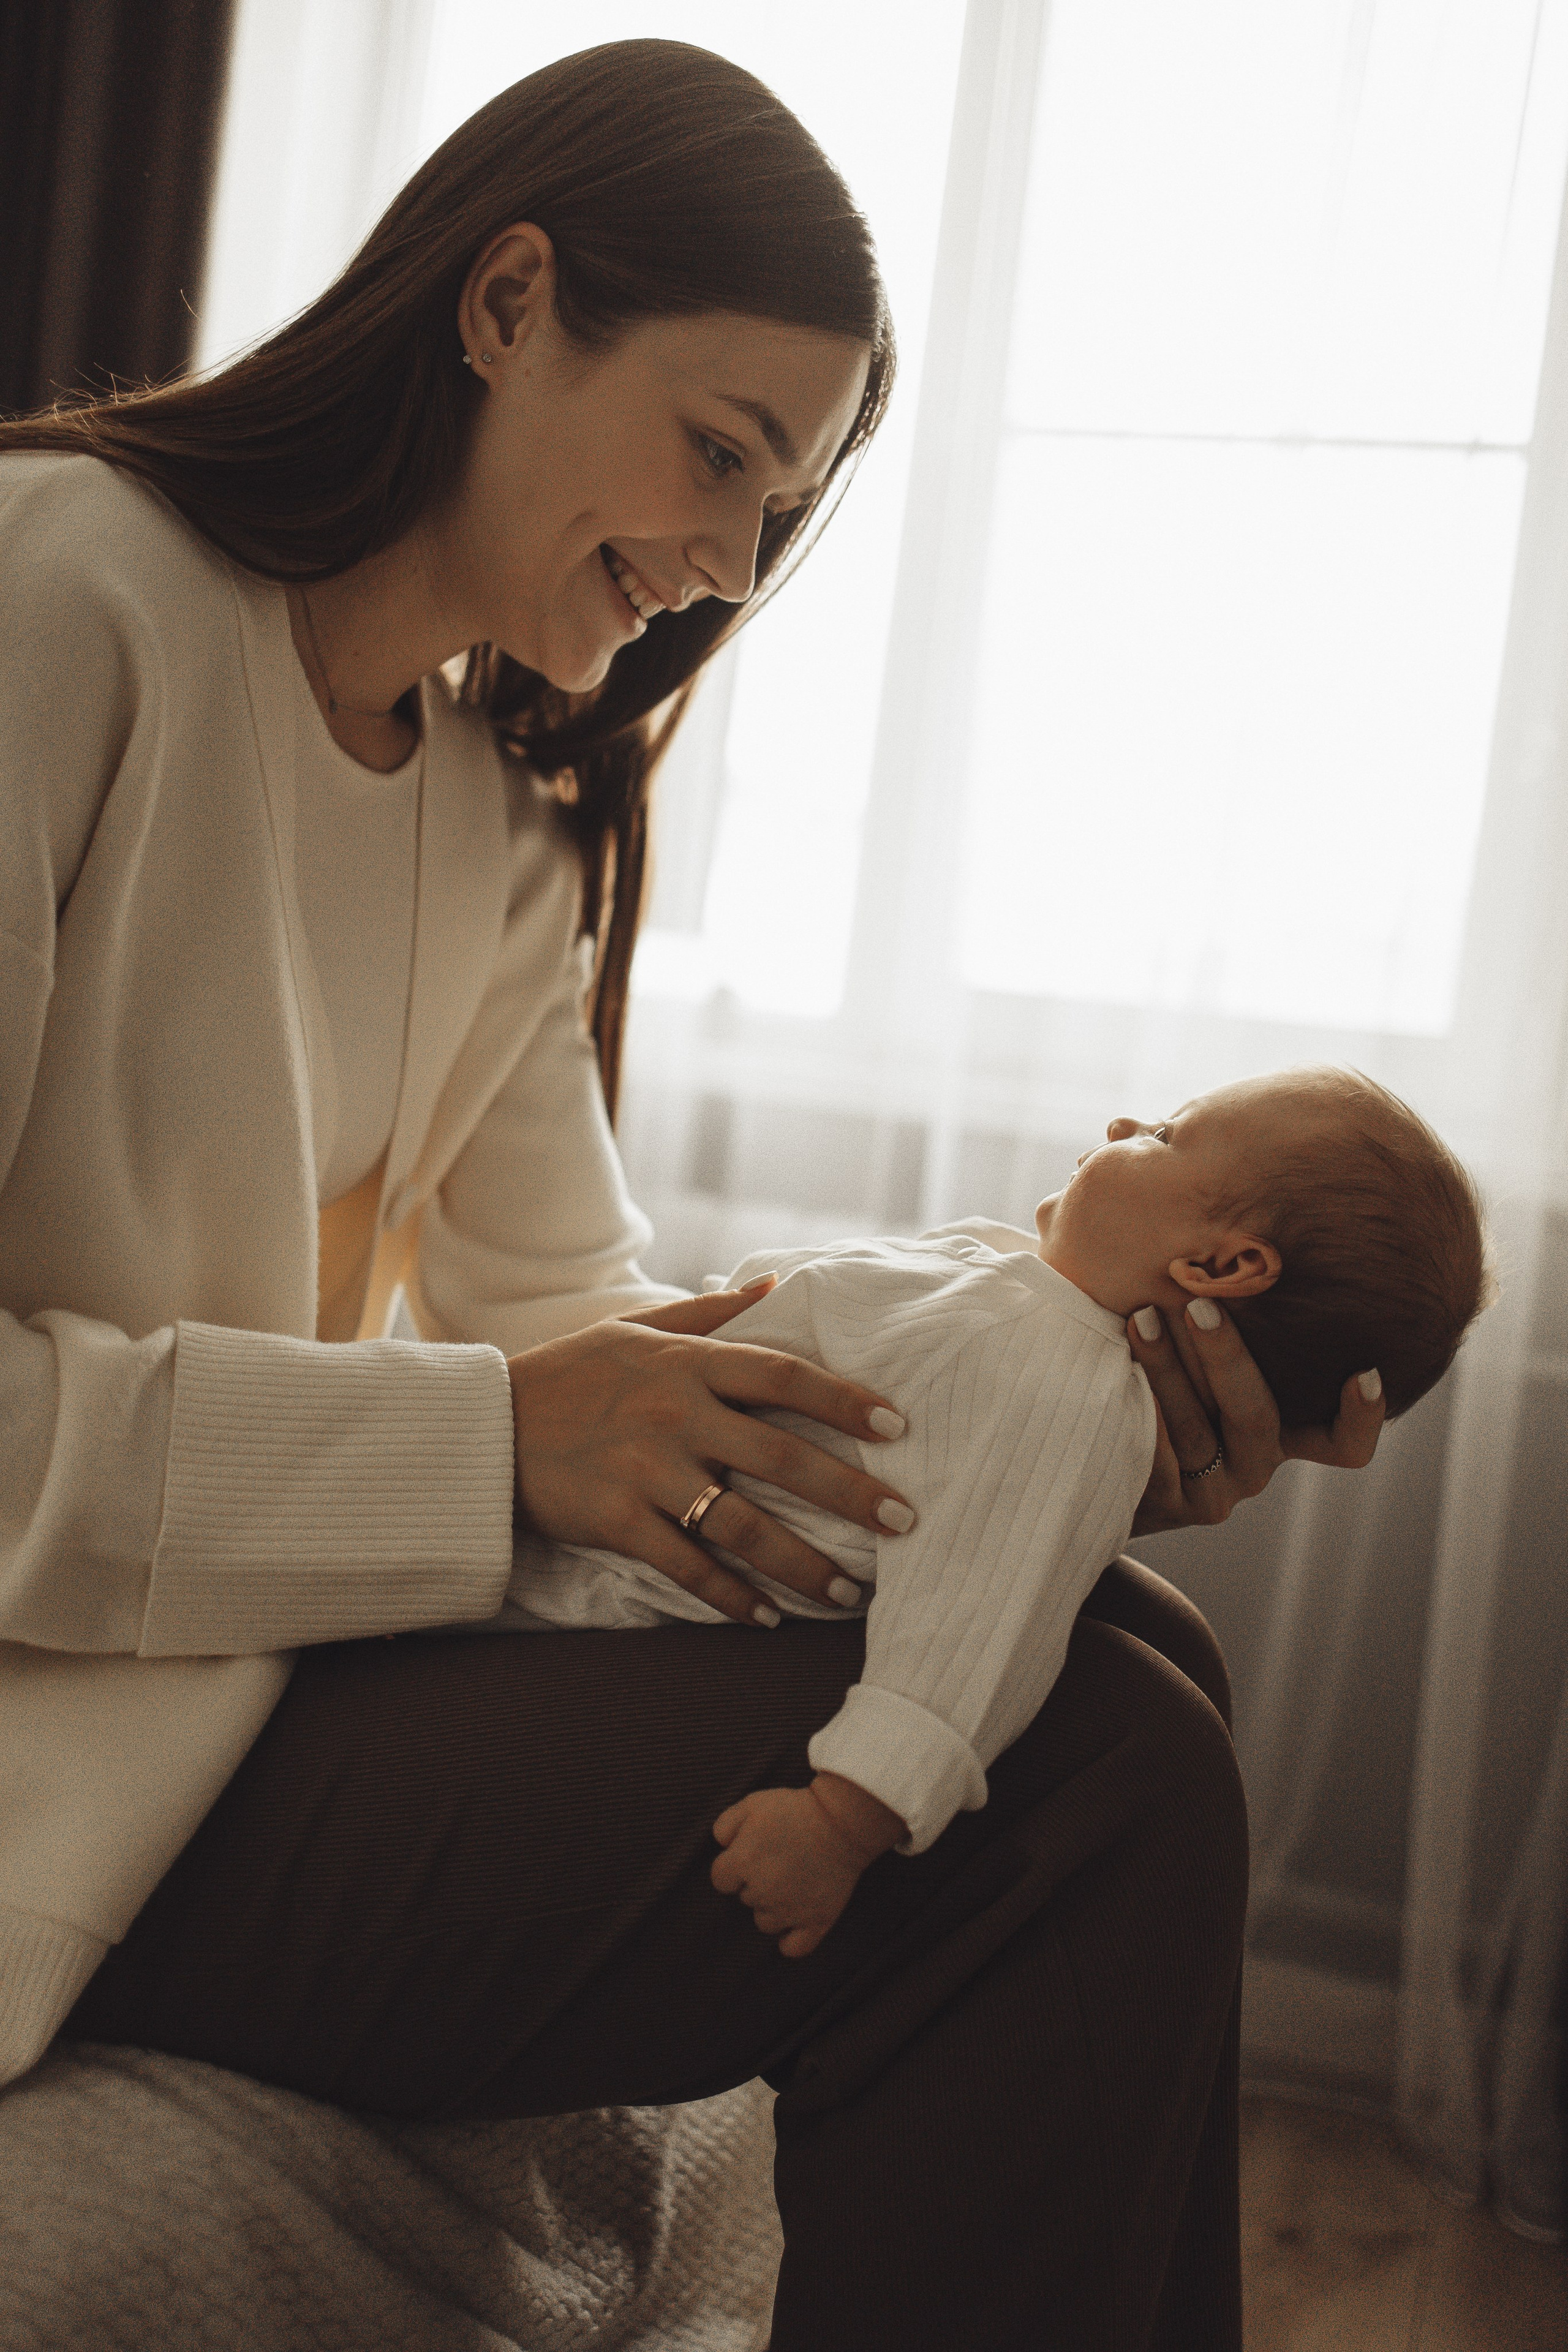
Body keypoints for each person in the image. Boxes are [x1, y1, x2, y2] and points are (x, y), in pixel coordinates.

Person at [0, 39, 1386, 2350]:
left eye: (786, 502)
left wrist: (1038, 1443)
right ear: (506, 299)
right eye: (722, 454)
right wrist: (490, 1437)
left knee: (1137, 1659)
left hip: (276, 1680)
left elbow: (631, 1361)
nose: (732, 566)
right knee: (1102, 1790)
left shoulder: (508, 814)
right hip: (66, 1726)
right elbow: (534, 1415)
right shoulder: (65, 599)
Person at [500, 1067, 1480, 1959]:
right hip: (582, 1508)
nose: (1124, 1121)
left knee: (1146, 1650)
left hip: (610, 1595)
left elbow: (976, 1620)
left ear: (1222, 1267)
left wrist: (846, 1817)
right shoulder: (1013, 1287)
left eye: (1170, 1135)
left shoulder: (1059, 1385)